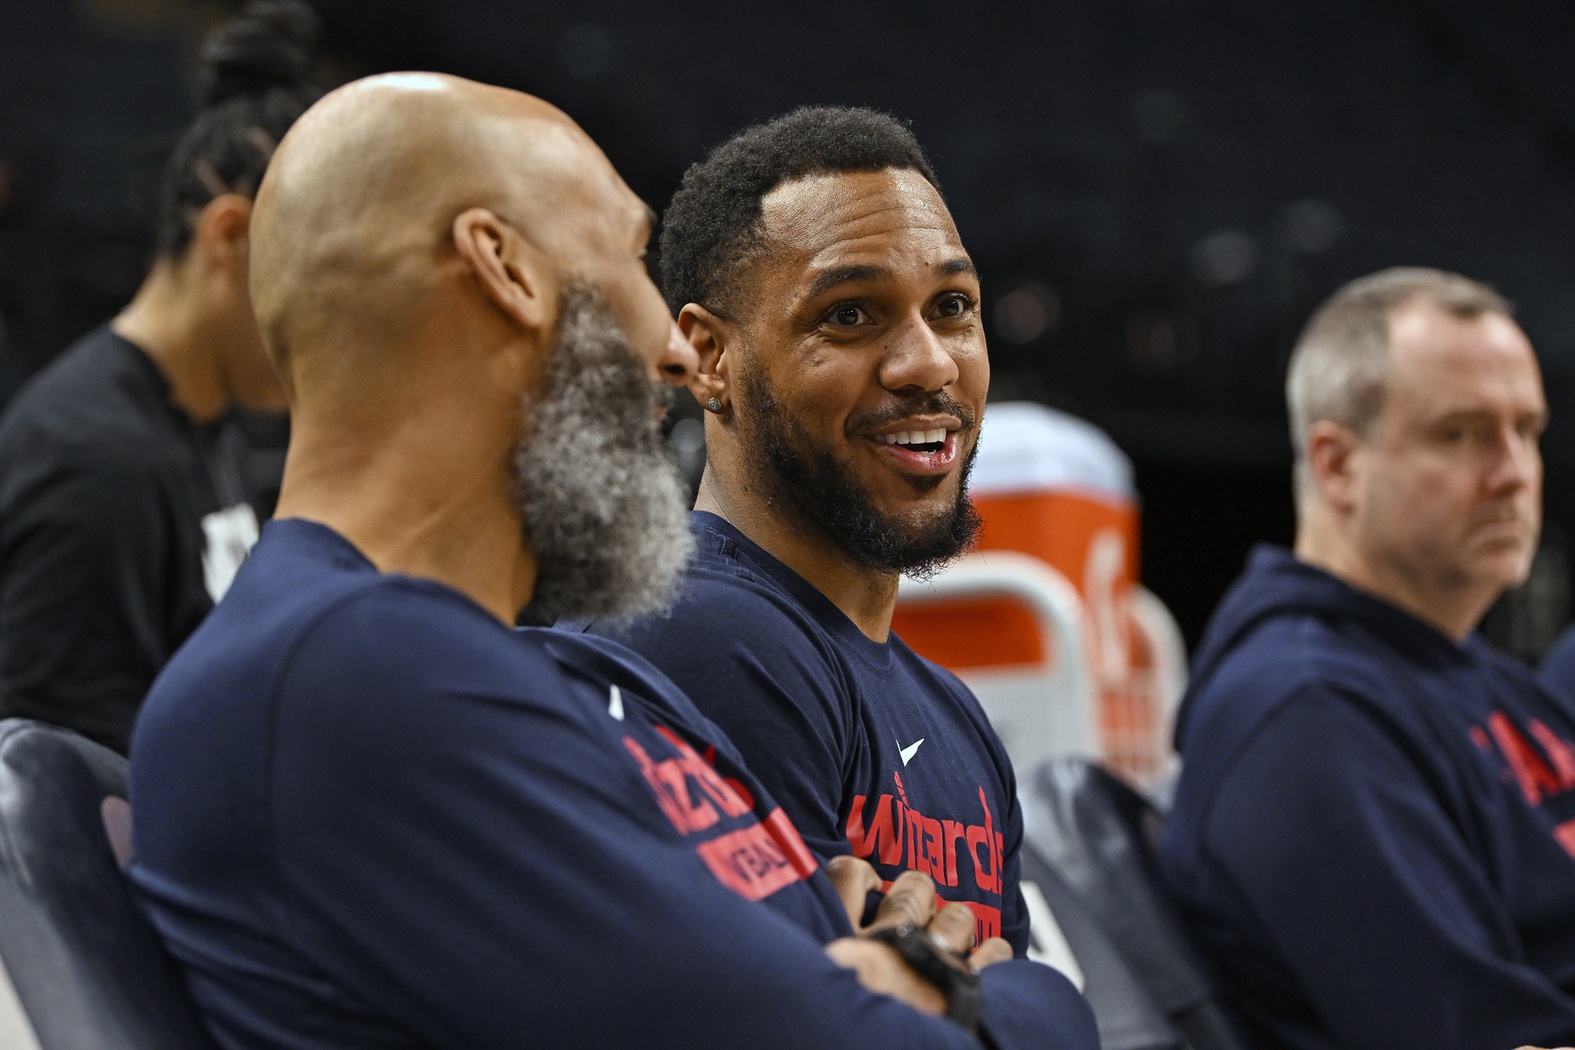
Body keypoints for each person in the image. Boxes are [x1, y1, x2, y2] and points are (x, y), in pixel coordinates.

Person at [128, 72, 1096, 1050]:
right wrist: (1024, 1001)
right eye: (636, 259)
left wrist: (879, 975)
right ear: (504, 268)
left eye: (955, 307)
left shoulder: (496, 671)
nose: (673, 354)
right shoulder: (351, 667)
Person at [568, 107, 1026, 955]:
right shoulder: (698, 636)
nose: (928, 363)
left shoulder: (955, 719)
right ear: (708, 357)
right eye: (850, 315)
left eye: (952, 306)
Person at [1158, 267, 1575, 1050]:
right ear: (1337, 465)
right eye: (1460, 433)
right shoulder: (1303, 718)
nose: (1514, 475)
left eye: (1526, 430)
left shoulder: (1468, 675)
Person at [0, 0, 320, 753]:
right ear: (232, 237)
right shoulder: (95, 465)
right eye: (326, 287)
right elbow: (53, 814)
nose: (337, 331)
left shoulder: (204, 419)